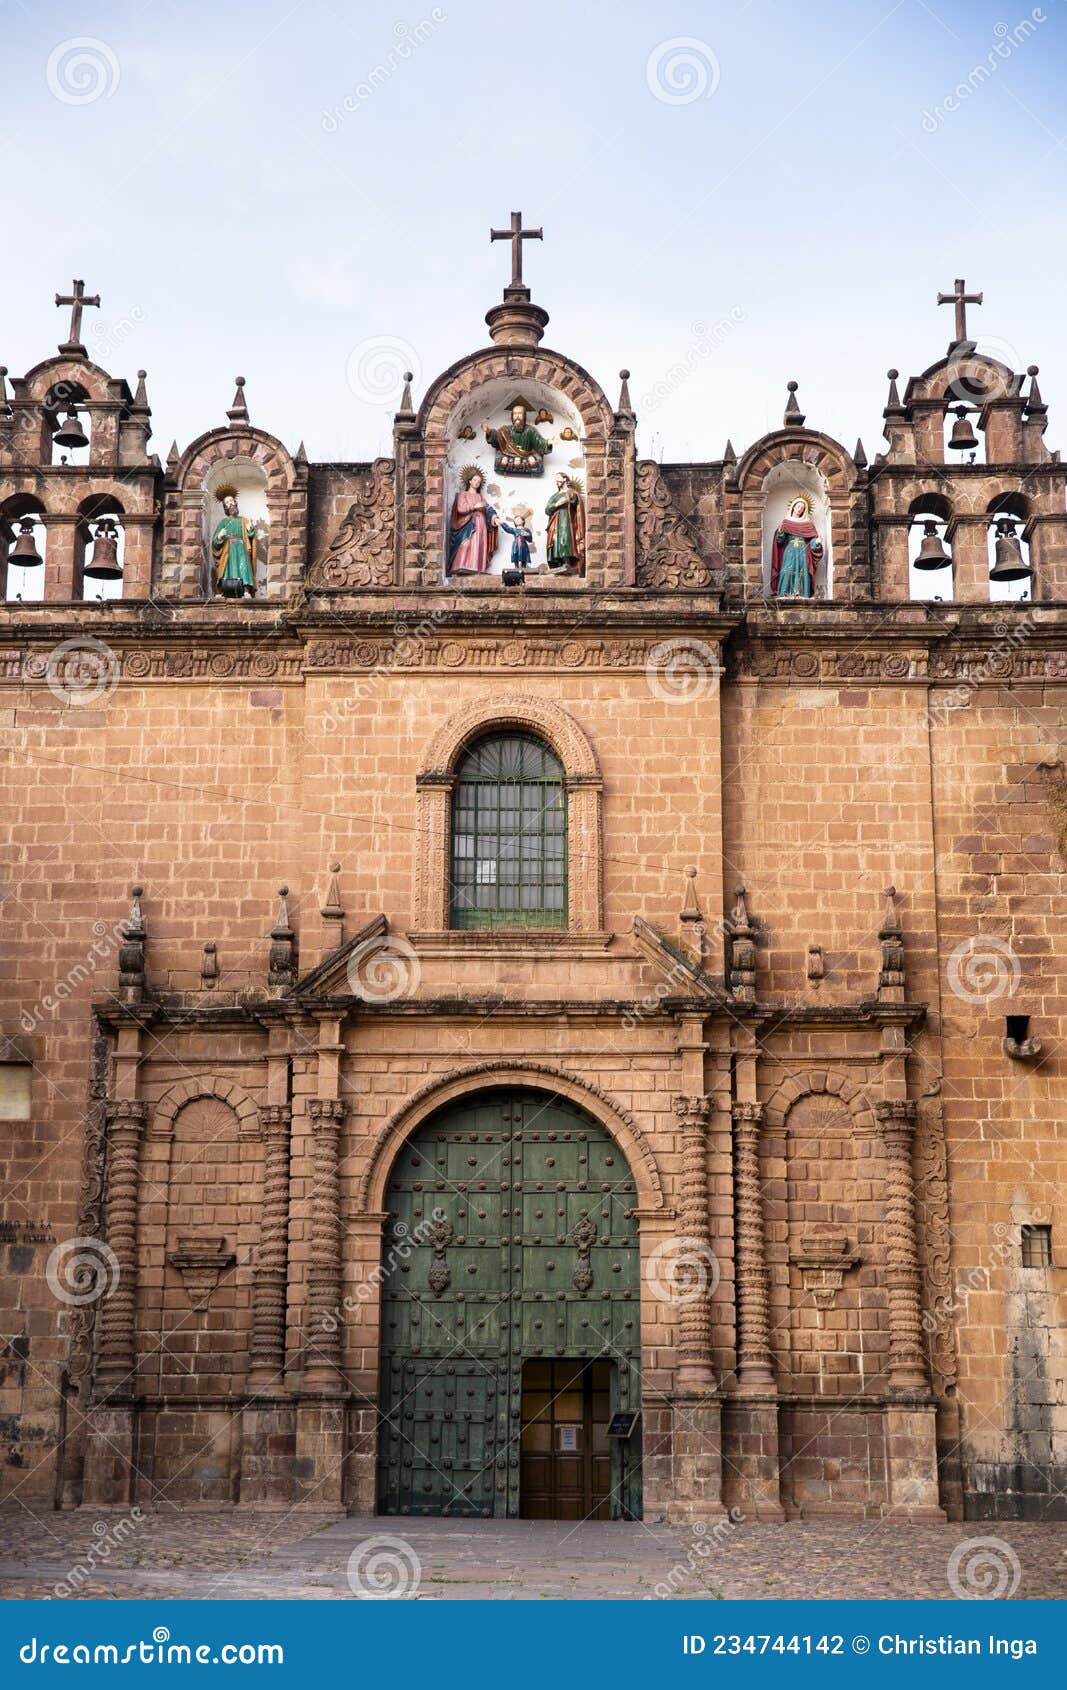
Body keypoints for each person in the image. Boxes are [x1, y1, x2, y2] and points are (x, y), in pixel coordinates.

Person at [448, 465, 499, 575]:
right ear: (469, 481)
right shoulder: (463, 494)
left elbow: (488, 509)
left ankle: (477, 568)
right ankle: (460, 566)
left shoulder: (480, 497)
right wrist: (474, 507)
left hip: (481, 524)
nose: (477, 483)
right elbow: (460, 509)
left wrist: (494, 517)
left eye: (479, 481)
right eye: (475, 480)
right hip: (467, 523)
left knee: (479, 545)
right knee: (466, 544)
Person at [771, 496, 823, 597]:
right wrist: (780, 532)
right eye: (798, 506)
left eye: (802, 508)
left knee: (802, 572)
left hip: (803, 552)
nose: (799, 509)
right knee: (787, 571)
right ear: (793, 507)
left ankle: (802, 594)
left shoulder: (808, 525)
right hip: (789, 551)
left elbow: (812, 543)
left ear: (804, 511)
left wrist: (816, 542)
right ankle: (784, 593)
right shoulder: (786, 522)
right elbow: (780, 542)